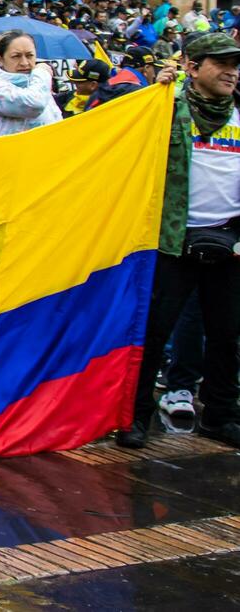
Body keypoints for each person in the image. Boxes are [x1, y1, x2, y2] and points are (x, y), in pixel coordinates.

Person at [118, 31, 240, 449]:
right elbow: (120, 131)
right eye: (221, 64)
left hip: (228, 241)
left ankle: (221, 415)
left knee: (227, 335)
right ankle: (135, 418)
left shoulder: (239, 113)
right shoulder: (166, 108)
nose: (231, 72)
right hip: (172, 242)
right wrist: (152, 93)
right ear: (192, 67)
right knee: (152, 333)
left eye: (235, 65)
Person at [0, 31, 63, 138]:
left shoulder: (36, 84)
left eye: (29, 55)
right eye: (16, 56)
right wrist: (42, 73)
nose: (24, 63)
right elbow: (34, 104)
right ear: (0, 59)